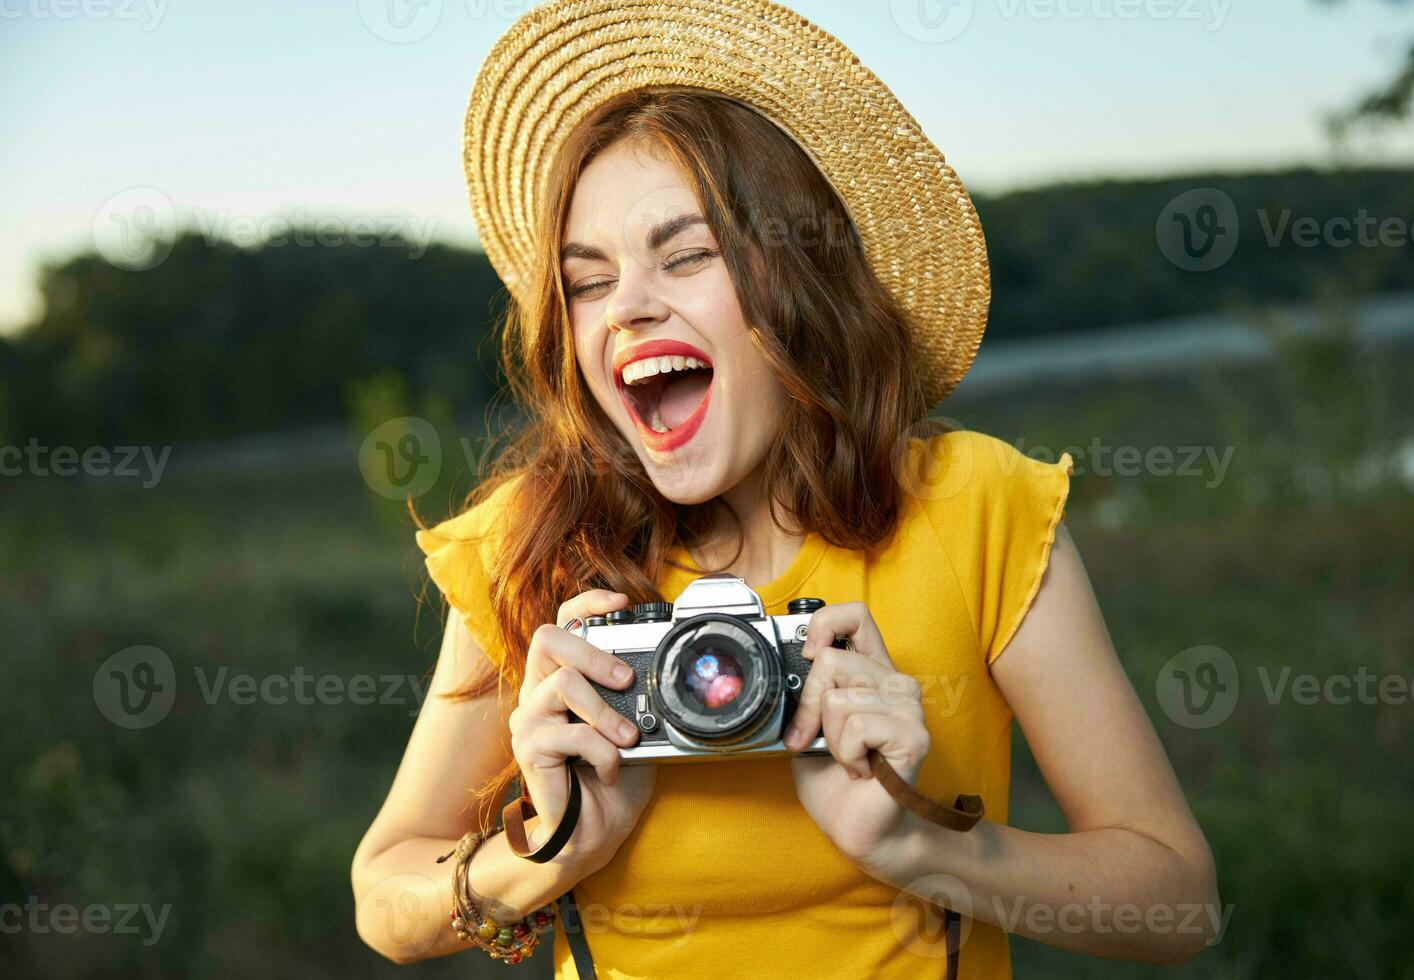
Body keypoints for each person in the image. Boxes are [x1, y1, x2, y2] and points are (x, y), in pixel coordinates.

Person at [352, 1, 1219, 976]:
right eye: (587, 280)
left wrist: (917, 845)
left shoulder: (978, 507)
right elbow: (385, 896)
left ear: (803, 284)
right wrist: (547, 850)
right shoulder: (531, 546)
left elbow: (1177, 901)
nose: (629, 306)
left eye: (687, 255)